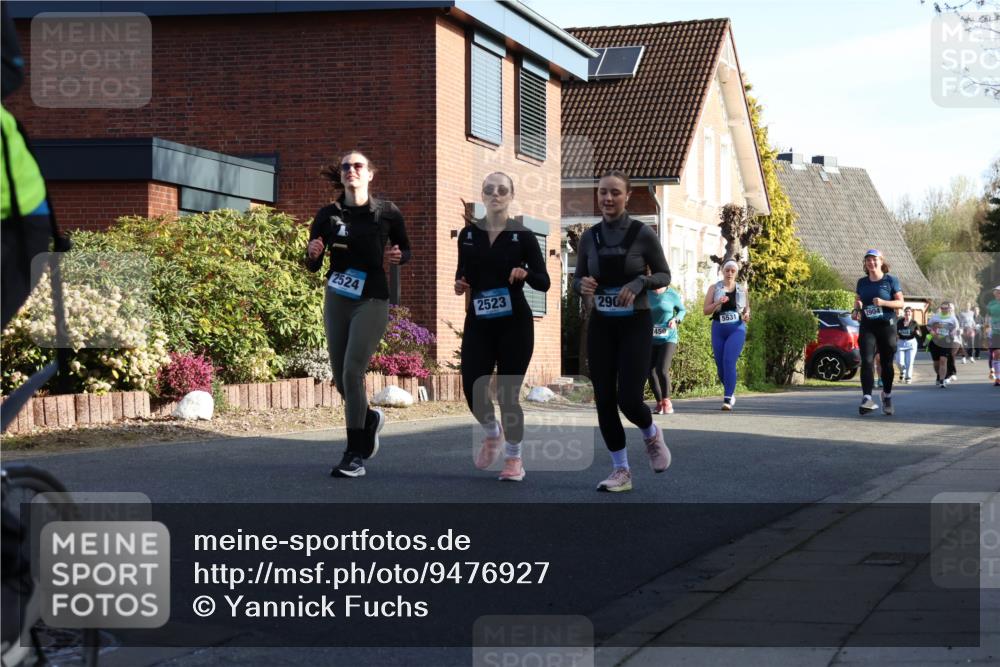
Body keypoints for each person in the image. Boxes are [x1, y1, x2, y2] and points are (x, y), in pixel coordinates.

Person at [306, 151, 411, 478]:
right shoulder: (327, 215)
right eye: (346, 167)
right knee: (341, 378)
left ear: (370, 174)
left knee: (353, 372)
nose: (351, 170)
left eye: (358, 166)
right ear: (341, 176)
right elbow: (312, 263)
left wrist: (399, 255)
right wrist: (312, 254)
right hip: (337, 297)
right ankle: (368, 418)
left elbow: (405, 249)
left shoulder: (387, 212)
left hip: (372, 299)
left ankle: (354, 455)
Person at [575, 170, 672, 493]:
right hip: (602, 325)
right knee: (604, 399)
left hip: (635, 324)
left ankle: (651, 434)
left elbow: (664, 275)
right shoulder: (589, 237)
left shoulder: (642, 234)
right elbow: (577, 279)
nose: (608, 198)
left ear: (627, 196)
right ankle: (621, 470)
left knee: (629, 400)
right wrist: (582, 285)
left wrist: (640, 281)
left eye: (615, 192)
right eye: (603, 192)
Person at [455, 172, 550, 482]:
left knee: (508, 395)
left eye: (502, 190)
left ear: (511, 196)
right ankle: (492, 432)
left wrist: (526, 273)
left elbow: (544, 282)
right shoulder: (468, 235)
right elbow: (462, 274)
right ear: (483, 195)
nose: (495, 194)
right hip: (479, 322)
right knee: (472, 387)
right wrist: (459, 284)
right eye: (489, 190)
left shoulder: (523, 236)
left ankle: (514, 459)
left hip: (514, 324)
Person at [852, 249, 904, 415]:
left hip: (887, 326)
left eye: (874, 259)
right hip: (868, 326)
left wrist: (883, 302)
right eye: (868, 260)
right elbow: (857, 302)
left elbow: (900, 303)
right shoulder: (862, 282)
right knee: (867, 361)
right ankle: (867, 398)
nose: (871, 263)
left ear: (881, 261)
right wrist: (856, 310)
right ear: (865, 264)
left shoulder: (891, 280)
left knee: (886, 364)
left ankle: (887, 396)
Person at [702, 259, 750, 411]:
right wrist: (717, 303)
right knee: (720, 365)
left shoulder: (742, 290)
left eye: (733, 271)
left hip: (736, 329)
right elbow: (705, 311)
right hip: (718, 328)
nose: (730, 273)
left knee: (729, 361)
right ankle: (731, 389)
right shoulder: (714, 288)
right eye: (727, 270)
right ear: (722, 271)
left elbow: (746, 310)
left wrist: (747, 315)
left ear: (736, 273)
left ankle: (727, 399)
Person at [648, 285, 685, 415]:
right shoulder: (646, 293)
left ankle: (667, 401)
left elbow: (682, 310)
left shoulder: (671, 294)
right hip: (651, 338)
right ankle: (659, 403)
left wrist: (676, 319)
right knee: (649, 371)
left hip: (669, 337)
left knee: (661, 369)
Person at [928, 302, 960, 388]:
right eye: (942, 308)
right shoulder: (935, 317)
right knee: (936, 363)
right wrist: (931, 331)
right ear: (940, 308)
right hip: (935, 341)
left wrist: (953, 332)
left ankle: (942, 380)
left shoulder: (952, 318)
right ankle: (939, 375)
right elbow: (928, 326)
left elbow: (957, 327)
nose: (944, 310)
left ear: (949, 309)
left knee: (943, 360)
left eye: (946, 308)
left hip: (946, 341)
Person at [896, 307, 919, 384]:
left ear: (911, 313)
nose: (907, 313)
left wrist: (918, 332)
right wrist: (896, 335)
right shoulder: (899, 322)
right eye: (906, 312)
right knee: (899, 362)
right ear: (904, 313)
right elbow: (896, 331)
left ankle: (908, 377)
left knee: (909, 362)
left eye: (909, 312)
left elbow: (920, 334)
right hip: (901, 343)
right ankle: (903, 371)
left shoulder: (914, 323)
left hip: (911, 343)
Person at [987, 286, 1000, 386]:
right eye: (996, 292)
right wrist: (987, 329)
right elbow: (988, 317)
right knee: (996, 354)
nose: (998, 293)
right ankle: (998, 378)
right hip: (996, 333)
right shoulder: (991, 304)